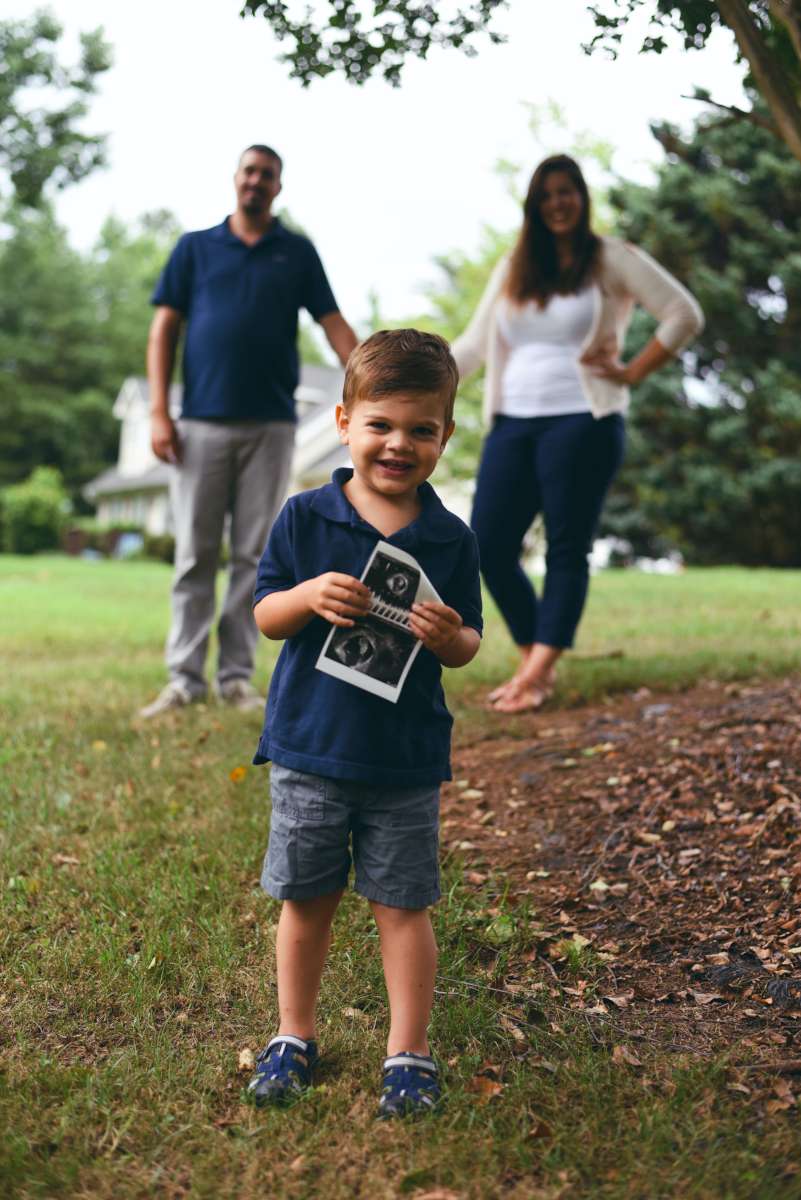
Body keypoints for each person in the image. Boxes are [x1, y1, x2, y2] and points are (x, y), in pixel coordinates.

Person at [245, 330, 482, 1117]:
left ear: (445, 436)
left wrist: (449, 637)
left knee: (402, 904)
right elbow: (266, 615)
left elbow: (468, 644)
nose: (398, 444)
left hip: (404, 759)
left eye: (421, 429)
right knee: (306, 899)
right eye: (380, 424)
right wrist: (309, 595)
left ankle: (408, 1051)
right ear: (345, 420)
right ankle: (292, 1035)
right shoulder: (305, 517)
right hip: (311, 747)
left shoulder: (449, 538)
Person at [451, 154, 704, 713]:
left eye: (566, 192)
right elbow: (471, 346)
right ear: (534, 207)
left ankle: (537, 672)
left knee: (567, 547)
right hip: (513, 422)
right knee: (488, 544)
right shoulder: (515, 265)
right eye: (546, 195)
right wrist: (409, 375)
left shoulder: (610, 259)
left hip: (583, 421)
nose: (557, 204)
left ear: (582, 198)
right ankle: (533, 660)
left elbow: (683, 313)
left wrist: (634, 370)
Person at [139, 144, 358, 719]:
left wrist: (375, 381)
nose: (257, 182)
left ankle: (236, 678)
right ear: (236, 180)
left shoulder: (297, 253)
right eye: (249, 172)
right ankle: (184, 679)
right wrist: (159, 412)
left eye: (268, 175)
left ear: (278, 188)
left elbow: (333, 325)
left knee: (251, 557)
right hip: (201, 425)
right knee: (194, 555)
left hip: (271, 425)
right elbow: (164, 330)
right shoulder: (195, 249)